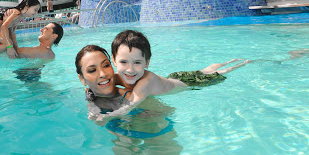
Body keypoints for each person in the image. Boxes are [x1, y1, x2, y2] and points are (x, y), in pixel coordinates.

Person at [75, 30, 251, 118]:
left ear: (147, 62)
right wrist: (91, 102)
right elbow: (91, 89)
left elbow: (129, 107)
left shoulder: (146, 82)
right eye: (123, 62)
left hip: (191, 84)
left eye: (137, 63)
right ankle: (226, 61)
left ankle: (241, 63)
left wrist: (105, 117)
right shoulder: (112, 77)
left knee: (216, 74)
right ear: (114, 61)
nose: (130, 69)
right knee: (205, 70)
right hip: (176, 76)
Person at [0, 22, 64, 62]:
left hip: (29, 78)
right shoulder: (47, 53)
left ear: (54, 36)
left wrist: (10, 35)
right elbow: (17, 51)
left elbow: (18, 52)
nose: (41, 29)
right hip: (26, 76)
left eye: (46, 29)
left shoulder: (47, 53)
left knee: (7, 44)